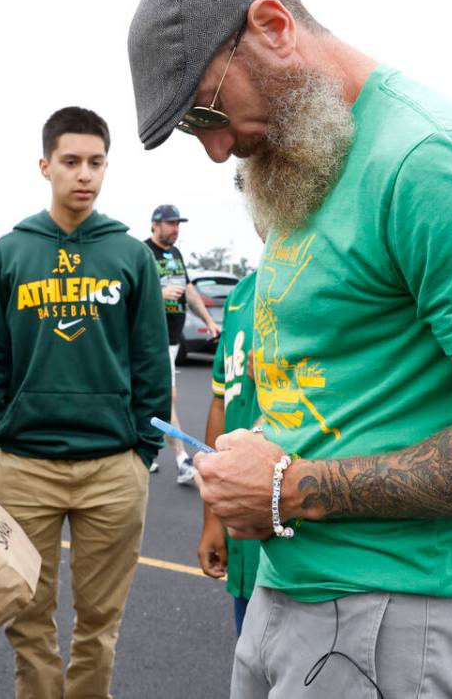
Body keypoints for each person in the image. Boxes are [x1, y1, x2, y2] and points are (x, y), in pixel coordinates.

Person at [128, 0, 452, 698]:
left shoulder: (428, 159)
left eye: (206, 113)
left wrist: (291, 487)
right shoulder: (305, 165)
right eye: (192, 131)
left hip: (396, 621)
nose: (216, 149)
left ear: (273, 25)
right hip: (293, 598)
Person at [0, 106, 169, 699]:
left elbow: (151, 361)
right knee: (28, 621)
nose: (85, 174)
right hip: (25, 467)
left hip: (113, 468)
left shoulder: (130, 254)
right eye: (72, 162)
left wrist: (142, 450)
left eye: (96, 163)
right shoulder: (12, 251)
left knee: (100, 625)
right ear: (45, 165)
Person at [198, 266, 260, 640]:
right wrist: (212, 519)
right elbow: (220, 402)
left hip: (312, 555)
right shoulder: (242, 294)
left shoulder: (336, 276)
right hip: (244, 546)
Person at [145, 203, 221, 483]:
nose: (175, 229)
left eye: (178, 224)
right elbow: (130, 292)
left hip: (173, 339)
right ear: (155, 224)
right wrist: (158, 292)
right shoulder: (142, 252)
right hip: (151, 339)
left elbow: (188, 290)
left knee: (149, 397)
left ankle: (145, 452)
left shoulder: (175, 254)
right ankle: (182, 460)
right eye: (170, 223)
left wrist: (209, 320)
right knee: (168, 397)